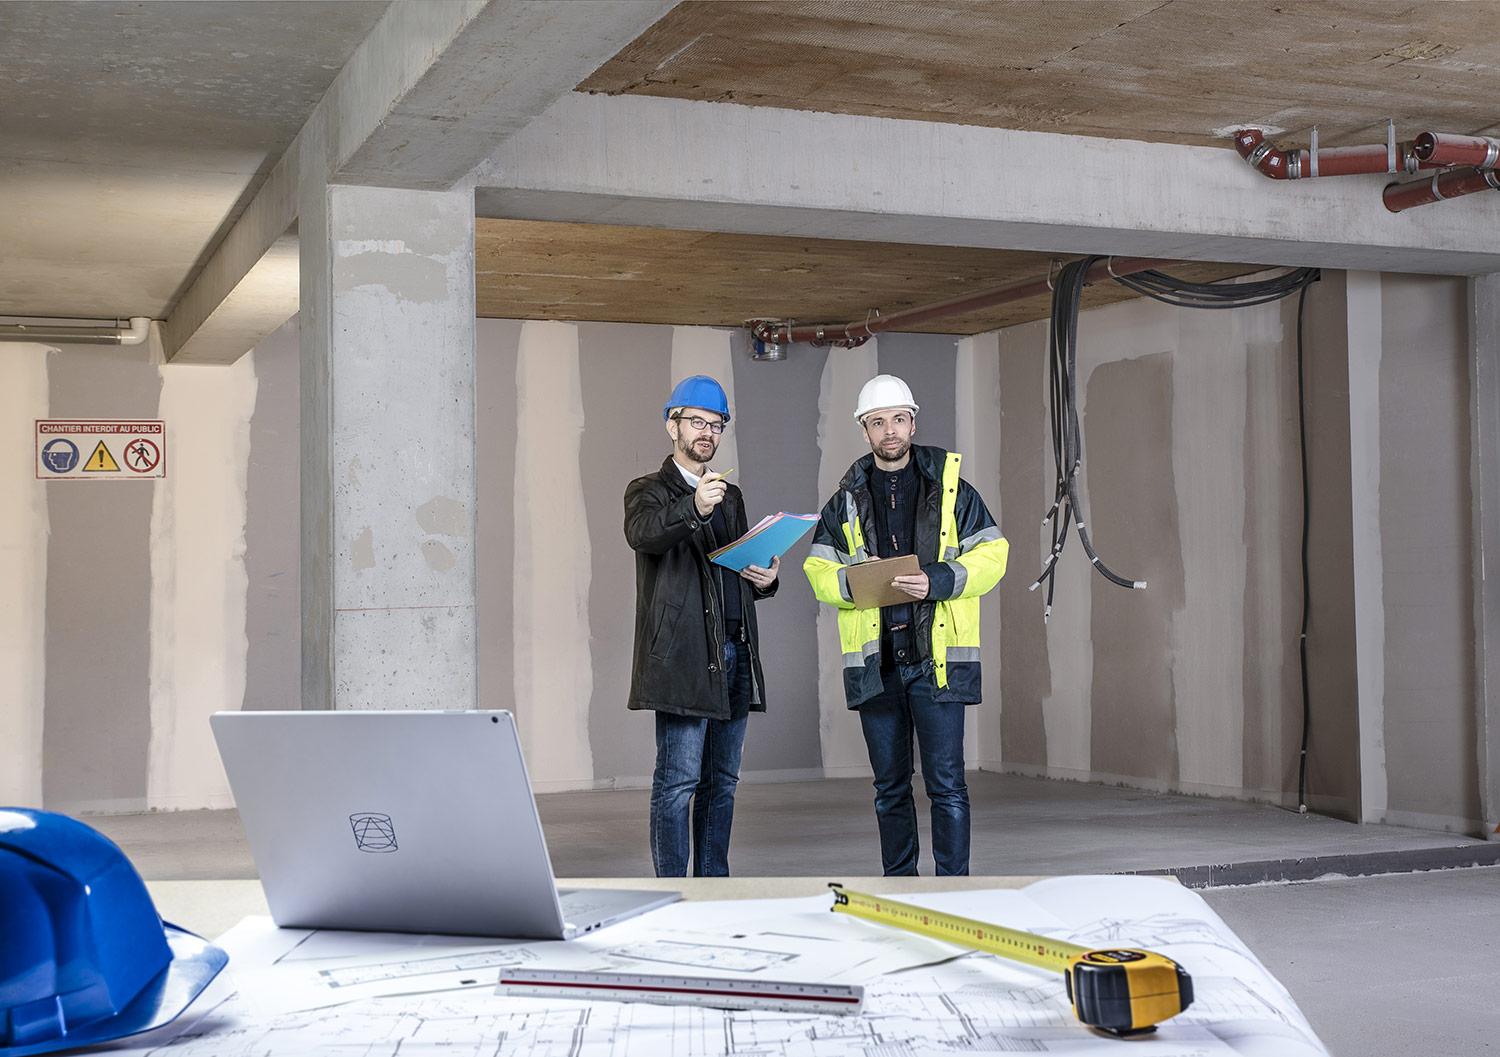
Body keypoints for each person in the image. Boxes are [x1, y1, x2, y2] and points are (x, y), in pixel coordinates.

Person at [804, 374, 1008, 875]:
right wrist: (855, 582)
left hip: (937, 666)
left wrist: (936, 580)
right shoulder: (845, 501)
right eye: (878, 422)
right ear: (865, 430)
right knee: (890, 789)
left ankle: (952, 891)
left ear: (913, 423)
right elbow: (818, 569)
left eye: (898, 419)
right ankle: (900, 888)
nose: (889, 430)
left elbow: (993, 555)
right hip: (879, 668)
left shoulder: (953, 491)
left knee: (947, 787)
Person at [624, 375, 779, 877]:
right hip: (684, 658)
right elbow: (644, 535)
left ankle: (714, 886)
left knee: (722, 783)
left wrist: (766, 579)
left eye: (716, 425)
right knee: (678, 783)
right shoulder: (647, 491)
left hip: (733, 652)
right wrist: (693, 507)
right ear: (672, 426)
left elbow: (735, 568)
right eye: (696, 422)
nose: (707, 433)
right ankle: (671, 891)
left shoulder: (730, 497)